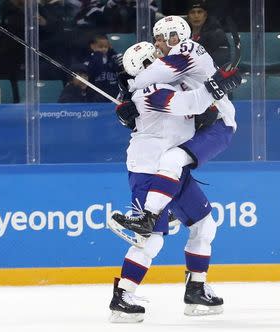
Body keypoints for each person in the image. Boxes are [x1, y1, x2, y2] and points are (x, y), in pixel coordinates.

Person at [109, 41, 239, 323]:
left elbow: (198, 100)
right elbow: (190, 104)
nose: (162, 59)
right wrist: (218, 85)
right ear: (145, 66)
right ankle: (122, 297)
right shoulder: (150, 91)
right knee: (151, 240)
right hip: (149, 170)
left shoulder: (168, 85)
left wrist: (216, 86)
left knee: (205, 225)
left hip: (173, 170)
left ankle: (196, 289)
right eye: (154, 57)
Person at [112, 15, 239, 256]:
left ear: (176, 37)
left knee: (171, 160)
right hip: (204, 123)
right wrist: (128, 103)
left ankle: (150, 215)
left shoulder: (185, 50)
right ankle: (195, 287)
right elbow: (159, 97)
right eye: (156, 39)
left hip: (218, 124)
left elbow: (154, 76)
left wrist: (128, 87)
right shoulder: (170, 73)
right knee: (201, 223)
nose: (158, 44)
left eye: (161, 39)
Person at [186, 0, 230, 67]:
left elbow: (221, 60)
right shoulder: (183, 35)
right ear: (188, 17)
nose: (196, 16)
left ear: (205, 15)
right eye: (192, 12)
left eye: (199, 12)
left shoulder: (217, 34)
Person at [83, 35, 122, 102]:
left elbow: (118, 70)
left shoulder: (112, 58)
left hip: (113, 93)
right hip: (97, 94)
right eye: (100, 47)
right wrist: (98, 56)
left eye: (106, 47)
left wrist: (112, 52)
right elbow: (90, 74)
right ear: (93, 46)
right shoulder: (89, 59)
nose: (104, 49)